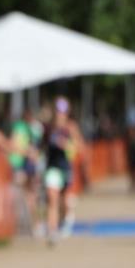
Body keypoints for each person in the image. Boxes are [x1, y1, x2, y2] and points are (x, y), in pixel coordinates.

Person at [42, 97, 77, 246]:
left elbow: (78, 146)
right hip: (52, 168)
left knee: (63, 201)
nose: (60, 114)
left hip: (65, 168)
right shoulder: (49, 128)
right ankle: (52, 231)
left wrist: (67, 145)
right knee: (52, 199)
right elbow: (42, 145)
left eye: (62, 111)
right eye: (58, 111)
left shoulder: (70, 127)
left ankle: (66, 217)